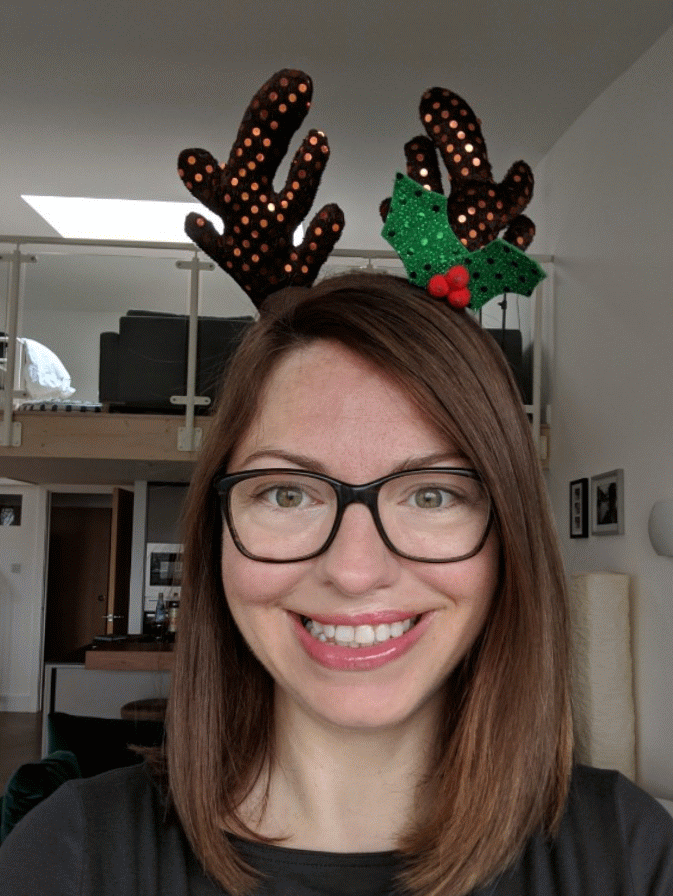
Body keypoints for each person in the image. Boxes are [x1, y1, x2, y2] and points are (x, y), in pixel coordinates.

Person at [1, 272, 672, 896]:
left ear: (508, 542)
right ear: (216, 534)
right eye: (288, 493)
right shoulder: (70, 854)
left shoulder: (626, 852)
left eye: (432, 494)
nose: (354, 570)